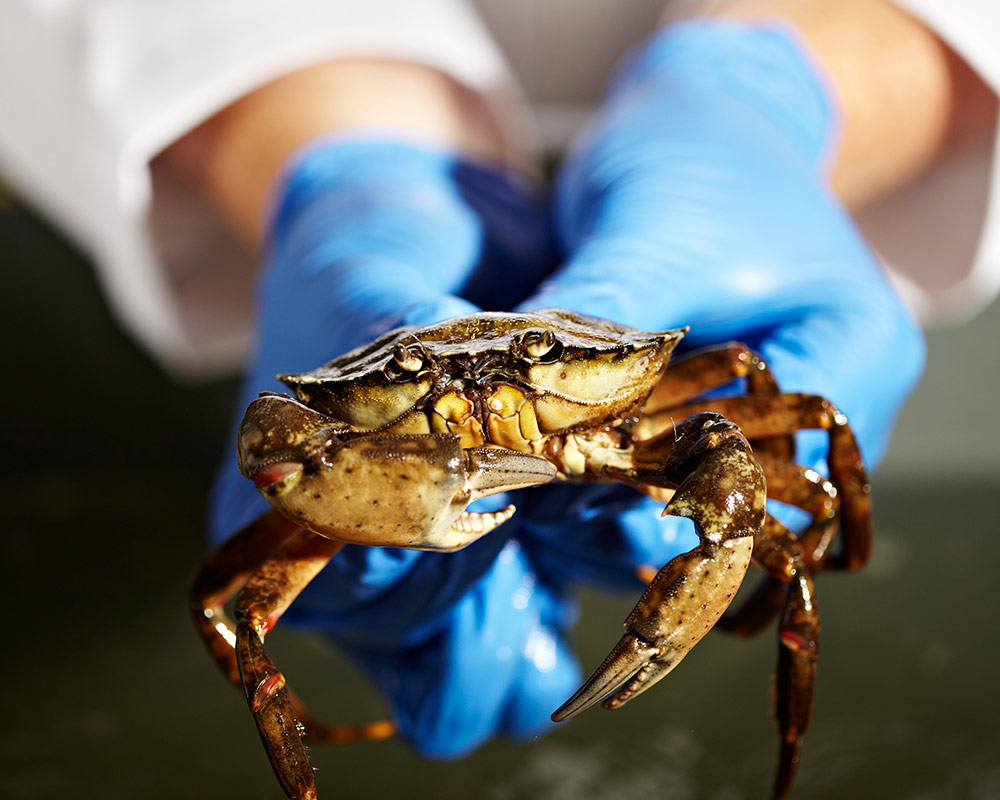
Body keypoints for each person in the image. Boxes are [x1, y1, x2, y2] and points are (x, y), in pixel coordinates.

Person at [2, 0, 997, 758]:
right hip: (199, 201)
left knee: (781, 513)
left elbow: (778, 413)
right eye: (425, 378)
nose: (479, 397)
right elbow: (271, 449)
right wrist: (322, 151)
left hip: (837, 184)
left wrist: (771, 91)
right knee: (230, 611)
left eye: (524, 372)